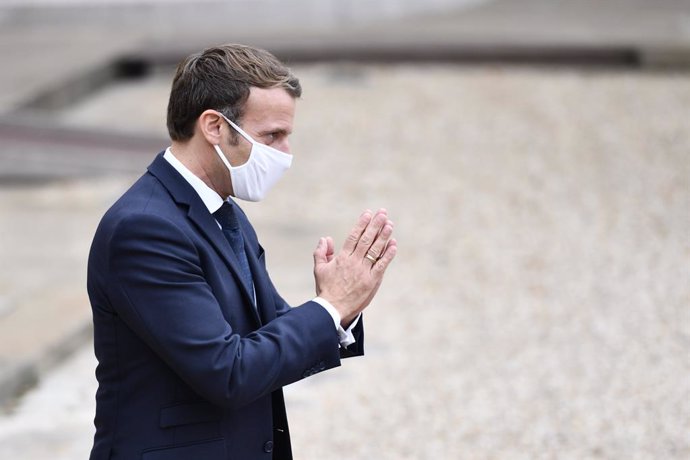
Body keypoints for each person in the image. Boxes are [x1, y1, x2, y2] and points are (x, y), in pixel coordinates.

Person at [86, 43, 397, 460]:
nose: (285, 154)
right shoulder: (144, 229)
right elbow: (227, 370)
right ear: (214, 126)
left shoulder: (222, 208)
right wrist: (328, 306)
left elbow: (263, 329)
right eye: (272, 136)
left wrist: (342, 309)